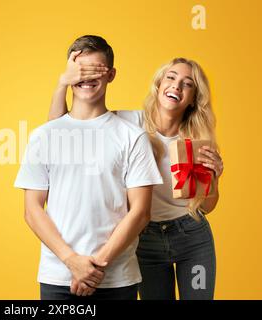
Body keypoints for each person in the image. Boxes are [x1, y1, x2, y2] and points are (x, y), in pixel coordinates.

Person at [48, 55, 224, 300]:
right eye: (171, 78)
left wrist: (214, 179)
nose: (176, 86)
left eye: (188, 83)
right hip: (144, 240)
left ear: (194, 98)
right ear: (159, 85)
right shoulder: (128, 123)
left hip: (192, 237)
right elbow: (59, 131)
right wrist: (62, 85)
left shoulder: (198, 140)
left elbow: (206, 206)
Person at [14, 35, 163, 300]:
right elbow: (32, 209)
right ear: (69, 75)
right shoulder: (43, 136)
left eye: (95, 70)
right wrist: (72, 261)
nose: (86, 77)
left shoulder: (132, 136)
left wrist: (95, 267)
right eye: (80, 71)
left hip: (117, 278)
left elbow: (140, 212)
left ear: (111, 75)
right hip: (58, 276)